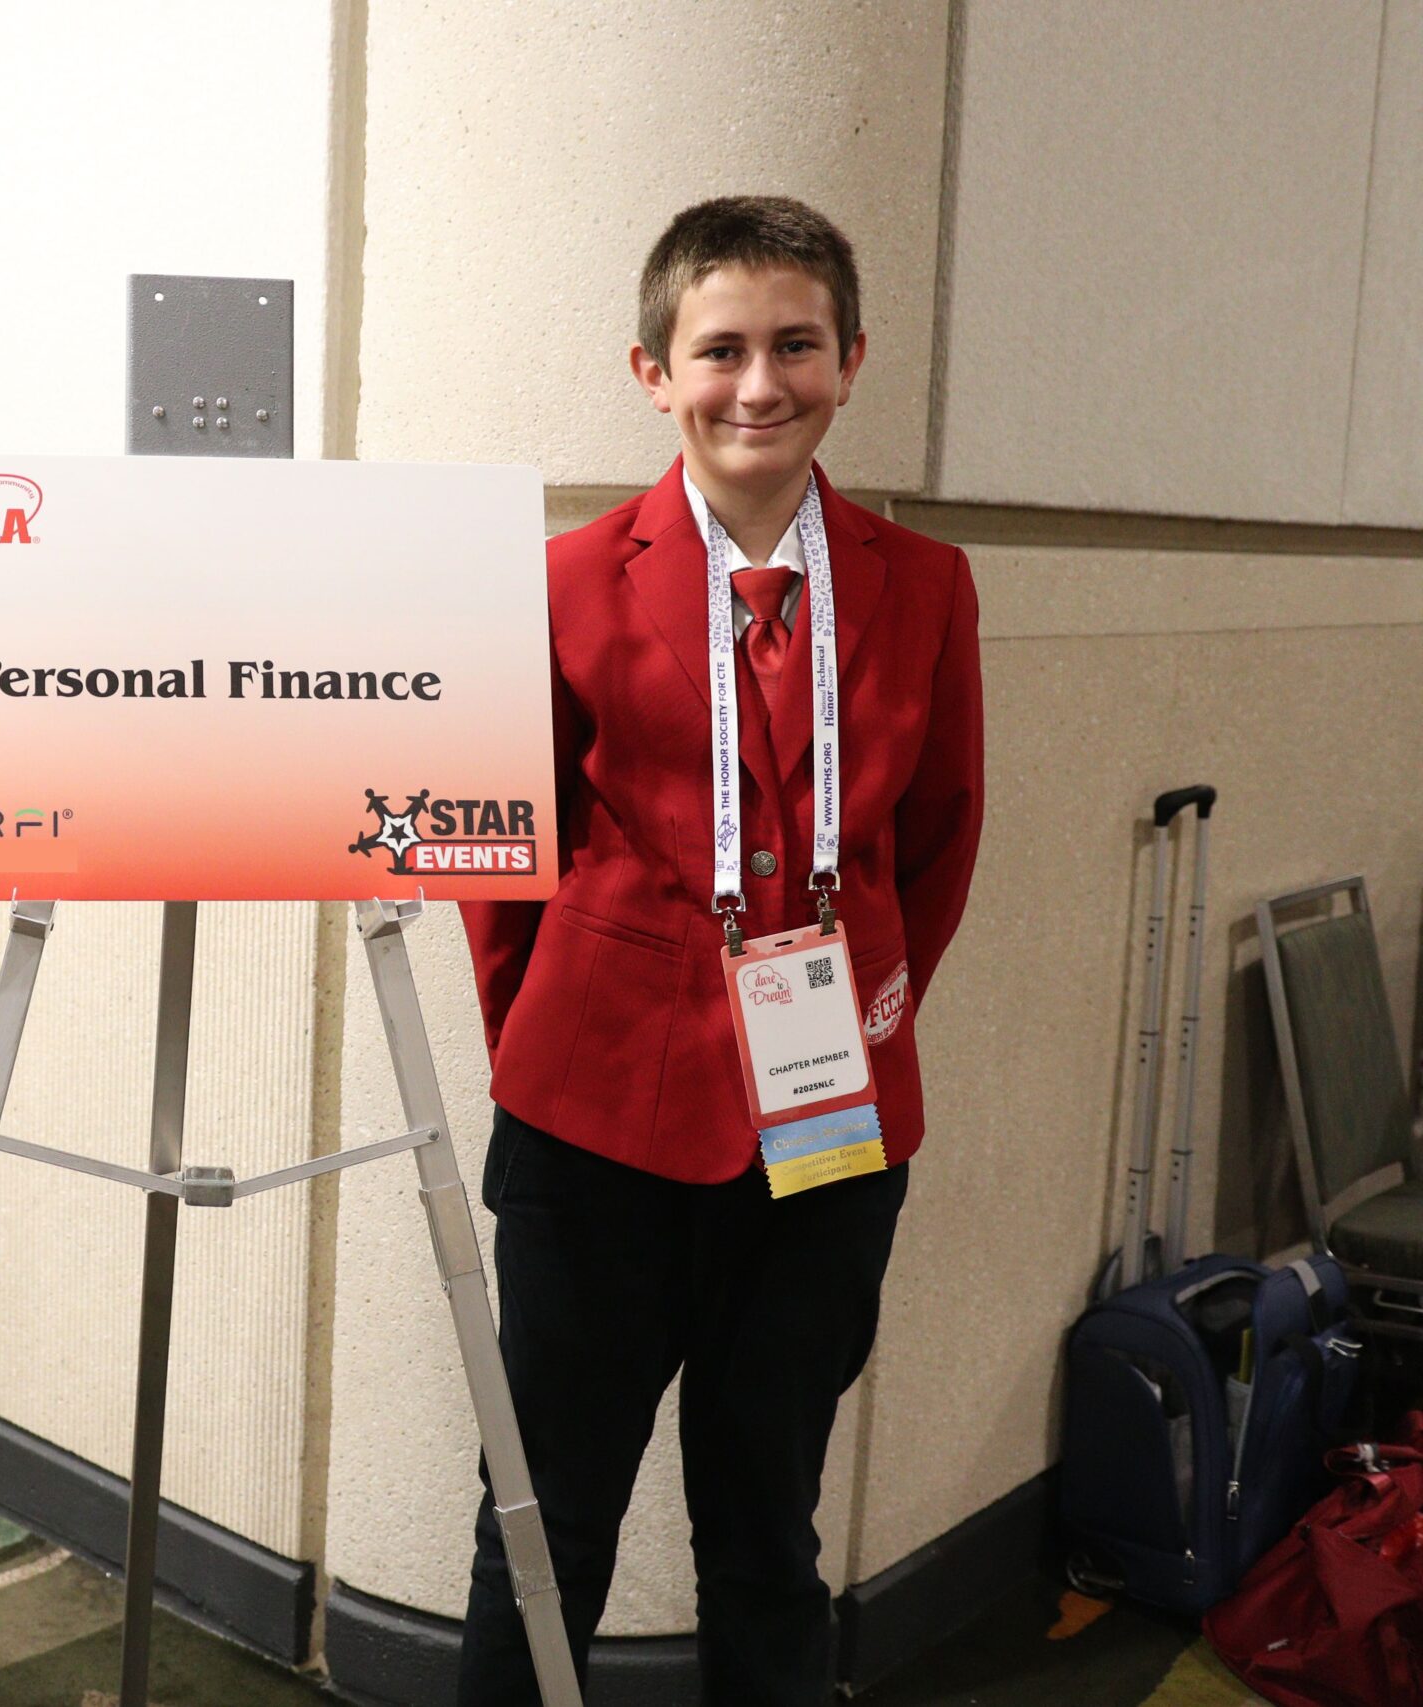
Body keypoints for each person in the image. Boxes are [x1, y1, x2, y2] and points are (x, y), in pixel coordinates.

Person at [455, 196, 984, 1704]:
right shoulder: (559, 584)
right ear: (653, 369)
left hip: (823, 1140)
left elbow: (934, 846)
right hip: (591, 1127)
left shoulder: (924, 584)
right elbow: (506, 866)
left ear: (851, 358)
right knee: (542, 1530)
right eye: (722, 349)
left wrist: (853, 1017)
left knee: (767, 1528)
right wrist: (553, 1041)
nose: (760, 385)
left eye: (796, 345)